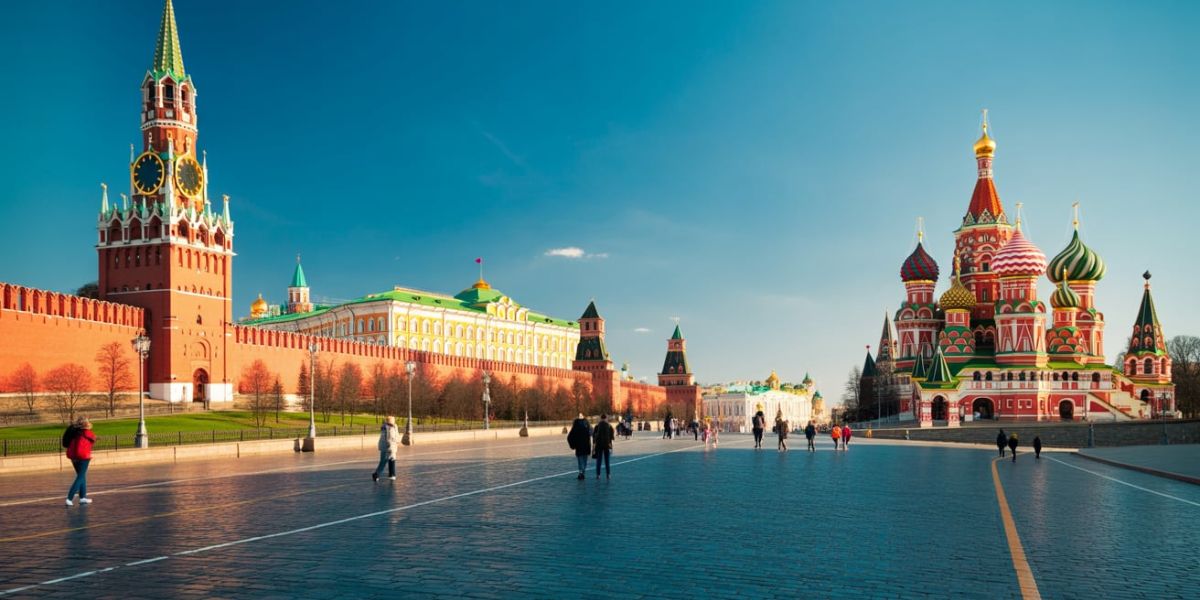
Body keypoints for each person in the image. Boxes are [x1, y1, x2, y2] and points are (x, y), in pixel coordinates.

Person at [64, 416, 96, 506]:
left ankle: (83, 498)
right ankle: (69, 498)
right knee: (80, 477)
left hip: (73, 457)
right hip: (83, 457)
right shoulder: (87, 432)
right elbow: (93, 439)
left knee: (81, 476)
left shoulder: (74, 432)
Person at [567, 413, 592, 480]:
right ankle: (582, 472)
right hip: (586, 446)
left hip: (579, 446)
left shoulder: (576, 425)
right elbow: (591, 432)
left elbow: (570, 437)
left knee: (580, 460)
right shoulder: (587, 424)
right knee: (584, 460)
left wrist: (573, 445)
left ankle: (581, 472)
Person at [593, 414, 615, 479]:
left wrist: (594, 445)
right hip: (607, 445)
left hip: (599, 445)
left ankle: (598, 475)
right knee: (607, 461)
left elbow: (594, 436)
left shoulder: (597, 426)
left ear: (600, 418)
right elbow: (612, 437)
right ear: (606, 418)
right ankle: (608, 474)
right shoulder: (609, 426)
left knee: (599, 461)